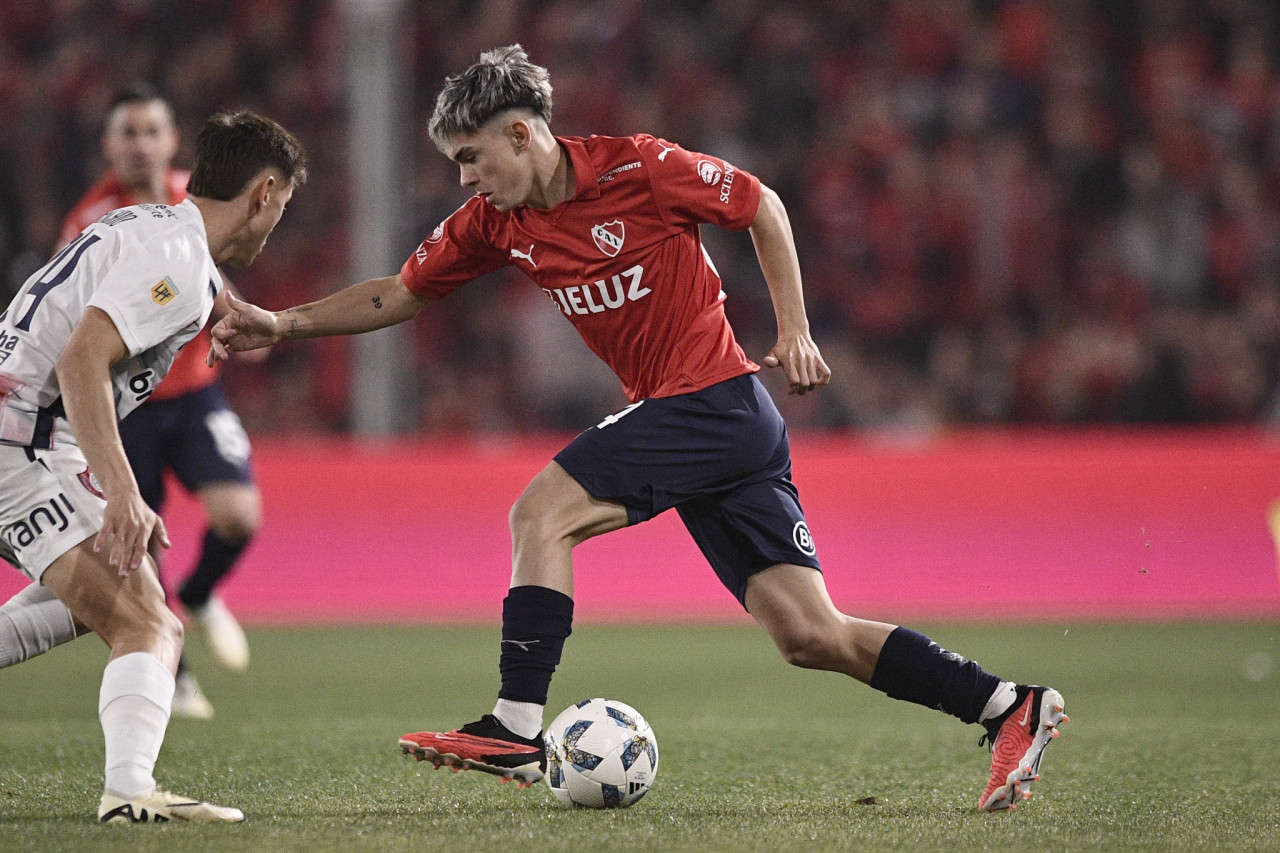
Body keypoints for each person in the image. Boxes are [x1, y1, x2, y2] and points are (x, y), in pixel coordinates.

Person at [209, 46, 1066, 813]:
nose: (464, 179)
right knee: (811, 634)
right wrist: (281, 325)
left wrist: (795, 329)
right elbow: (399, 291)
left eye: (470, 158)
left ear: (520, 133)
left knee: (540, 513)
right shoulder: (495, 225)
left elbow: (761, 204)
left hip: (713, 401)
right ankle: (1008, 705)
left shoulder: (641, 168)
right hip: (722, 429)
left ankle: (513, 723)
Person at [0, 109, 305, 823]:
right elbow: (82, 357)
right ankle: (130, 788)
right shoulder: (177, 255)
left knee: (95, 604)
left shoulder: (151, 229)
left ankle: (131, 784)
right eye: (281, 207)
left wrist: (219, 305)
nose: (275, 225)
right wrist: (123, 493)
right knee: (149, 623)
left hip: (21, 433)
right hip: (24, 442)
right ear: (262, 194)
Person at [60, 84, 257, 717]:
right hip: (130, 406)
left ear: (173, 141)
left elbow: (208, 277)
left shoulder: (189, 199)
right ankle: (176, 671)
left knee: (238, 516)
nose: (142, 145)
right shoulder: (90, 222)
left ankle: (200, 594)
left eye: (153, 132)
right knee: (141, 538)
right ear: (108, 145)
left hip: (195, 393)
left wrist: (239, 319)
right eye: (129, 133)